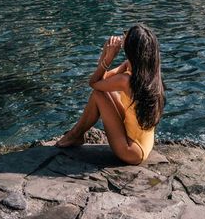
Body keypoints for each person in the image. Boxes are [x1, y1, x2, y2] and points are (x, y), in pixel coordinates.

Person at [56, 24, 165, 164]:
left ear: (131, 47)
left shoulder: (126, 80)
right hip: (143, 143)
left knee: (98, 95)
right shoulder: (149, 72)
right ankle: (76, 135)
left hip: (131, 151)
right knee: (104, 91)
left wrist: (108, 57)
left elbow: (94, 83)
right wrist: (106, 54)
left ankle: (75, 135)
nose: (122, 36)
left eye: (126, 34)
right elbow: (103, 80)